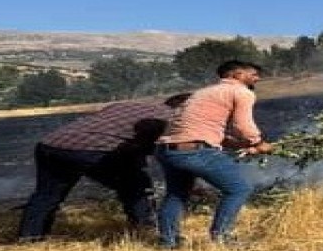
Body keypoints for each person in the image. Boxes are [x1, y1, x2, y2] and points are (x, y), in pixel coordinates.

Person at [16, 93, 192, 241]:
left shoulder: (126, 106)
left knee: (47, 195)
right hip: (93, 149)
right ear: (186, 106)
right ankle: (145, 229)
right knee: (136, 187)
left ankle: (30, 237)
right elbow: (141, 147)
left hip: (51, 145)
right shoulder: (171, 119)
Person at [155, 60, 273, 248]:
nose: (257, 78)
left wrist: (243, 145)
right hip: (194, 151)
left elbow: (205, 130)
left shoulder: (202, 93)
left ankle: (168, 241)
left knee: (176, 194)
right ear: (237, 75)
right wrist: (258, 142)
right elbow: (242, 126)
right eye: (253, 74)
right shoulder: (241, 91)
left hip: (167, 150)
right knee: (238, 189)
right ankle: (221, 238)